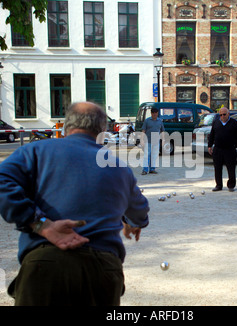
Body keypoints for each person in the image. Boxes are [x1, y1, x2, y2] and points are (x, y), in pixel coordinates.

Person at [0, 101, 149, 306]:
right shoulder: (119, 167)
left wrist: (40, 223)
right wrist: (133, 221)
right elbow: (139, 210)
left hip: (46, 263)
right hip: (103, 269)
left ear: (65, 126)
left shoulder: (35, 151)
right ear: (102, 130)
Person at [208, 107, 237, 192]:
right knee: (217, 168)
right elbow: (211, 135)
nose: (222, 116)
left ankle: (231, 185)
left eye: (224, 114)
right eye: (220, 115)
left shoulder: (234, 123)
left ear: (228, 114)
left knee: (231, 168)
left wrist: (236, 146)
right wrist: (209, 146)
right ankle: (218, 185)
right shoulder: (216, 122)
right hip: (218, 149)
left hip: (229, 149)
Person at [140, 107, 165, 175]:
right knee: (146, 155)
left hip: (156, 140)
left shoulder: (160, 121)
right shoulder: (147, 121)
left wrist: (163, 140)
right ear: (151, 113)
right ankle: (145, 170)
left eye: (156, 113)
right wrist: (142, 139)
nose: (154, 114)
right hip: (148, 139)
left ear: (157, 113)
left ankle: (152, 169)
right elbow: (143, 130)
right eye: (153, 113)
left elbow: (162, 131)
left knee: (154, 155)